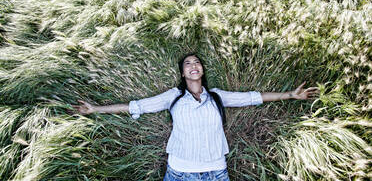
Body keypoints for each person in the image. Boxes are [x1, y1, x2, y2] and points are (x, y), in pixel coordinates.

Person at [74, 53, 318, 181]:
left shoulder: (217, 96)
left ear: (202, 70)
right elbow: (138, 106)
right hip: (179, 172)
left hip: (216, 172)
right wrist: (95, 109)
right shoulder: (173, 97)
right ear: (182, 72)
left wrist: (290, 95)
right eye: (188, 63)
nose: (193, 65)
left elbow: (252, 97)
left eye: (197, 62)